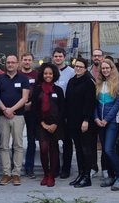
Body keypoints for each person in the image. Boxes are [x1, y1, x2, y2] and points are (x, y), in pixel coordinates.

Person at [0, 55, 29, 186]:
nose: (10, 64)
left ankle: (16, 174)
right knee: (4, 146)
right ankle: (6, 173)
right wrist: (5, 109)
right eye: (8, 62)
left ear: (17, 64)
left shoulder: (23, 78)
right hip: (2, 116)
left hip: (18, 116)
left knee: (18, 145)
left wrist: (11, 110)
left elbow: (24, 98)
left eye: (13, 62)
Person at [31, 62, 64, 187]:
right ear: (42, 74)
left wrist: (56, 123)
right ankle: (45, 174)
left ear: (54, 74)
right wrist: (42, 123)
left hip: (56, 125)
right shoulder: (37, 90)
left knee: (54, 148)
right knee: (44, 149)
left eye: (50, 73)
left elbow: (62, 109)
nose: (48, 75)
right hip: (42, 124)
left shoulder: (58, 90)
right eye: (45, 73)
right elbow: (34, 108)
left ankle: (51, 175)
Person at [65, 57, 96, 188]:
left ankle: (87, 177)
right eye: (76, 66)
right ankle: (80, 174)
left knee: (85, 149)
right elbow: (68, 101)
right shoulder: (72, 81)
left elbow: (90, 103)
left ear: (85, 68)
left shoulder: (88, 82)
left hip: (84, 122)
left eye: (80, 66)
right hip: (72, 121)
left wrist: (86, 120)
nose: (78, 68)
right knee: (78, 149)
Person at [95, 59, 119, 191]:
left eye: (108, 68)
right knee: (105, 152)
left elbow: (117, 104)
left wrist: (106, 119)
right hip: (100, 122)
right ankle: (111, 176)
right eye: (103, 68)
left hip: (112, 121)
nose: (105, 70)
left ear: (112, 68)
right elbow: (94, 103)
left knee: (109, 149)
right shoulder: (99, 83)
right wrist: (96, 118)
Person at [51, 47, 75, 178]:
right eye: (56, 56)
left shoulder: (71, 72)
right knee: (53, 142)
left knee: (67, 142)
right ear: (53, 57)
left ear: (64, 57)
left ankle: (66, 168)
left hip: (67, 111)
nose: (58, 58)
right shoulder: (50, 71)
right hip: (52, 111)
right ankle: (54, 168)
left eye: (60, 56)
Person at [19, 52, 39, 179]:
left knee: (31, 140)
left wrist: (32, 103)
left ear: (32, 61)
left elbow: (40, 91)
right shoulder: (17, 75)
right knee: (17, 139)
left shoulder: (37, 75)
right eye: (25, 59)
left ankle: (29, 168)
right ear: (21, 61)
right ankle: (15, 167)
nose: (27, 62)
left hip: (33, 111)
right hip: (18, 110)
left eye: (29, 60)